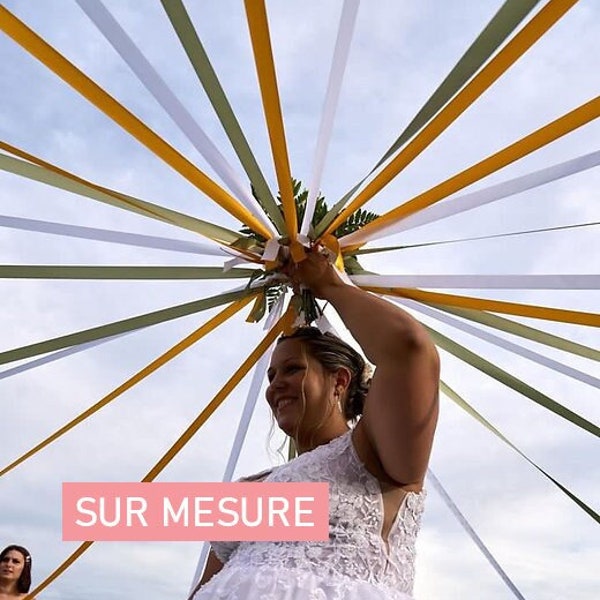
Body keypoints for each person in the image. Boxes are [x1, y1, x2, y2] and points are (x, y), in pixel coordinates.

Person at [192, 248, 440, 599]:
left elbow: (409, 348)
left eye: (293, 369)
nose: (275, 385)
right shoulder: (245, 490)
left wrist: (328, 284)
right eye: (271, 375)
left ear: (340, 381)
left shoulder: (373, 454)